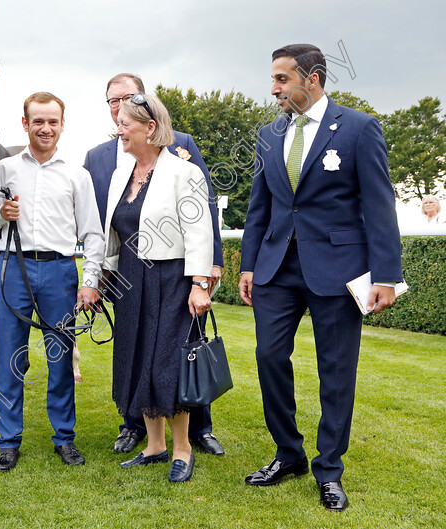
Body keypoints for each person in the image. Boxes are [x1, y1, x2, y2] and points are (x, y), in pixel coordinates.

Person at [239, 44, 402, 511]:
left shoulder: (359, 128)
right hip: (275, 268)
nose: (274, 88)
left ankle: (328, 468)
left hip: (338, 270)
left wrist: (386, 274)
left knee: (335, 372)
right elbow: (260, 208)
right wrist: (248, 264)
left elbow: (378, 203)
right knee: (269, 357)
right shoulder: (269, 135)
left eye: (282, 79)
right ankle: (288, 453)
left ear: (312, 79)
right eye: (272, 79)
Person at [84, 73, 225, 457]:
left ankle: (183, 449)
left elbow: (200, 231)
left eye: (125, 125)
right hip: (130, 280)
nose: (119, 132)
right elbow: (108, 234)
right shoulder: (117, 176)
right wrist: (95, 278)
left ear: (150, 127)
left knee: (168, 364)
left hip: (172, 280)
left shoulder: (185, 171)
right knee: (136, 358)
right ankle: (154, 446)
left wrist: (200, 283)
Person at [0, 92, 104, 472]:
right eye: (38, 121)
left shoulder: (77, 175)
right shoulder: (4, 170)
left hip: (60, 270)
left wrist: (90, 280)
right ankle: (7, 440)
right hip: (12, 268)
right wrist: (1, 212)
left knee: (60, 357)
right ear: (25, 124)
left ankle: (64, 437)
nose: (45, 128)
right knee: (10, 358)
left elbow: (94, 234)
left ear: (62, 124)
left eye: (52, 121)